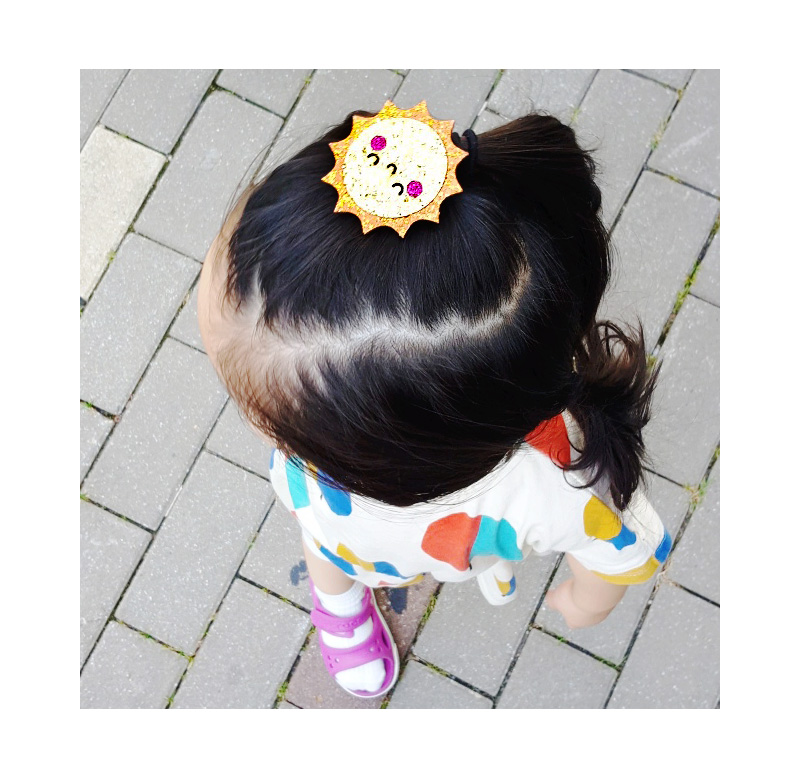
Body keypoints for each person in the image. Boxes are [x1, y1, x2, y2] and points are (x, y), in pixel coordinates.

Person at [197, 103, 670, 700]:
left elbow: (618, 541)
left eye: (268, 423)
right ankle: (336, 600)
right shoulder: (326, 420)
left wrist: (588, 600)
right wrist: (590, 598)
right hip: (331, 520)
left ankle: (341, 593)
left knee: (328, 538)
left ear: (402, 462)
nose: (264, 436)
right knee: (321, 538)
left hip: (379, 534)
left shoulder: (559, 478)